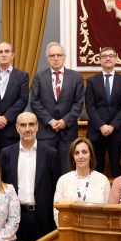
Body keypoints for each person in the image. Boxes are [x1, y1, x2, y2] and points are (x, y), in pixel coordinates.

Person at [0, 112, 62, 241]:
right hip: (15, 219)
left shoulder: (51, 154)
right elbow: (1, 188)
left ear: (37, 127)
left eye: (31, 124)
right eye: (23, 125)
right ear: (17, 128)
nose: (27, 129)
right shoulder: (6, 154)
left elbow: (56, 188)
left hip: (43, 218)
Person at [31, 41, 85, 171]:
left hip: (68, 133)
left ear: (64, 57)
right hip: (46, 133)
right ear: (47, 58)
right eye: (52, 55)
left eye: (59, 55)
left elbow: (78, 103)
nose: (56, 58)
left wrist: (64, 121)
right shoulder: (39, 77)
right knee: (46, 171)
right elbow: (35, 102)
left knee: (67, 170)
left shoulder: (76, 77)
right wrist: (50, 121)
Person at [84, 47, 121, 176]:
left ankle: (118, 196)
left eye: (111, 55)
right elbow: (90, 106)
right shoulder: (92, 81)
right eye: (104, 56)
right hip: (96, 132)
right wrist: (101, 125)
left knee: (118, 169)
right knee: (95, 169)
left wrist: (112, 126)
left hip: (117, 132)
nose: (108, 58)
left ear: (116, 59)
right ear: (99, 60)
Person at [53, 138, 111, 224]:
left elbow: (108, 211)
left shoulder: (102, 180)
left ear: (91, 155)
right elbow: (57, 212)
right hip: (70, 232)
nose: (81, 156)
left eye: (84, 152)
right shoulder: (63, 180)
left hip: (97, 231)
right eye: (77, 153)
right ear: (73, 157)